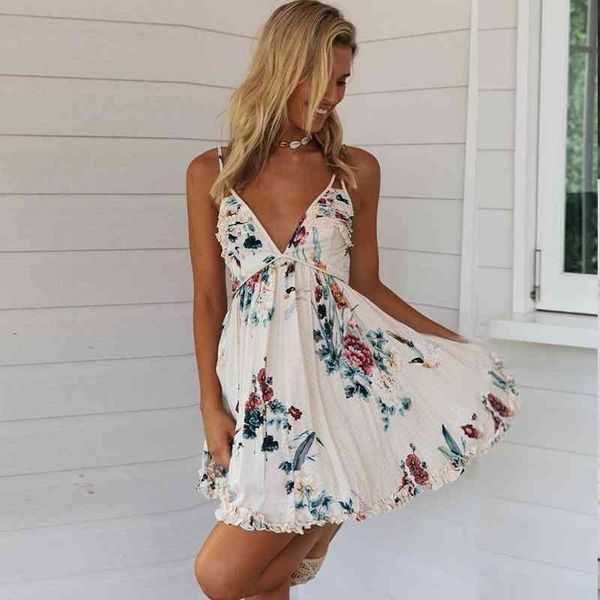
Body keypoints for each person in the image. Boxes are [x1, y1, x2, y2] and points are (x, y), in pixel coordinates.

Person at [186, 1, 521, 598]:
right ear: (284, 70)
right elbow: (210, 300)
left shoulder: (354, 170)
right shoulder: (212, 173)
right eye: (323, 79)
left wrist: (452, 347)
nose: (333, 97)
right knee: (259, 581)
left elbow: (367, 286)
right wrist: (211, 407)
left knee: (221, 576)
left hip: (338, 393)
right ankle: (323, 516)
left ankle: (334, 500)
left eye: (342, 82)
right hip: (259, 397)